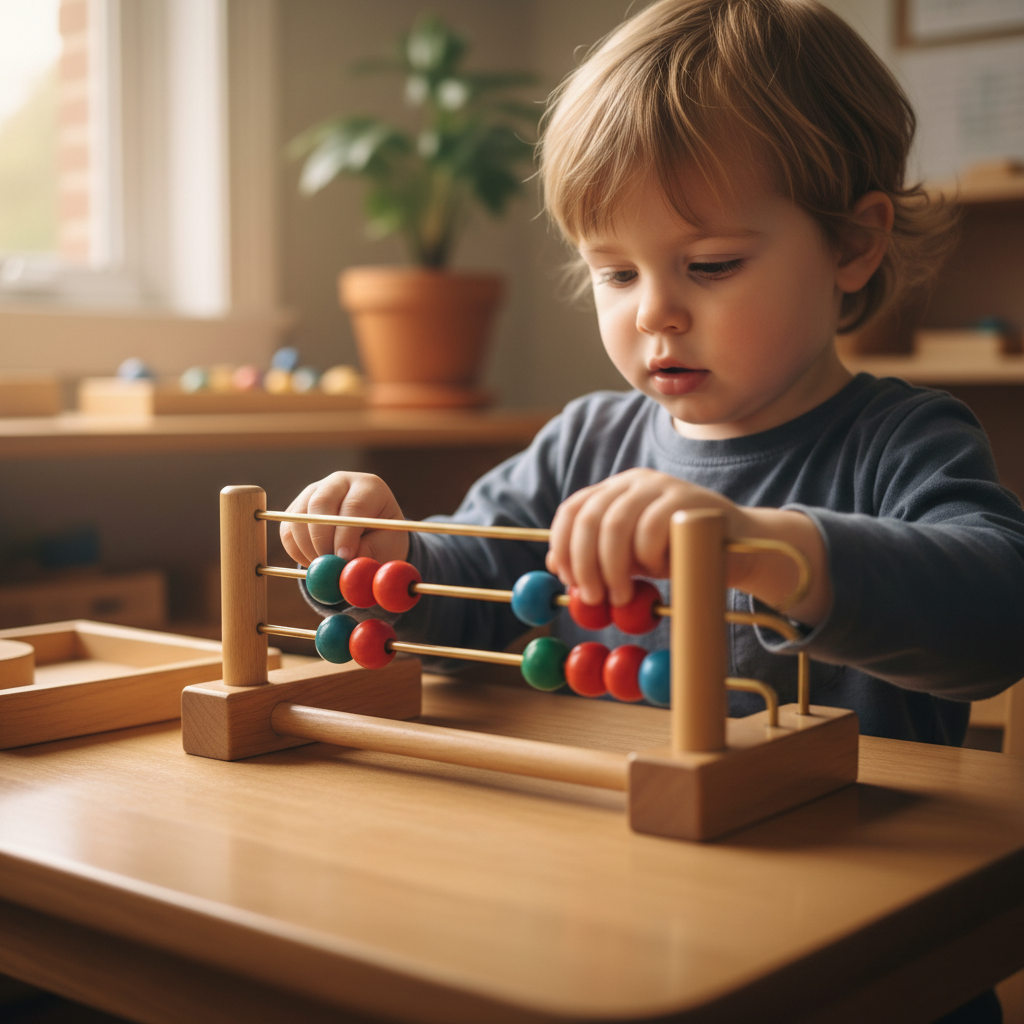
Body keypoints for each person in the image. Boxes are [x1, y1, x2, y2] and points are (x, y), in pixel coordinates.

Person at [284, 1, 1024, 750]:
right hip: (620, 843)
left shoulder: (900, 442)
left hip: (851, 850)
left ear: (853, 244)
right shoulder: (585, 444)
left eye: (711, 265)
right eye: (616, 273)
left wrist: (754, 547)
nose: (654, 313)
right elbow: (469, 592)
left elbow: (999, 619)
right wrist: (394, 559)